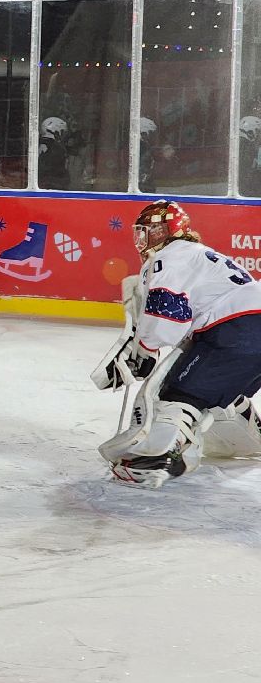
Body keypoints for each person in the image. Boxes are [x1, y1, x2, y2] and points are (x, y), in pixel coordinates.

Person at [94, 200, 261, 487]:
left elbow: (167, 319)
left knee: (177, 395)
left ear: (168, 231)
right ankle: (247, 439)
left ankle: (153, 461)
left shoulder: (168, 257)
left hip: (238, 329)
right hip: (245, 327)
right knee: (218, 386)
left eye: (152, 230)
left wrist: (144, 351)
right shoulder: (198, 254)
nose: (144, 237)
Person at [37, 116, 70, 190]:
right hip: (53, 185)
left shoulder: (36, 144)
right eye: (61, 131)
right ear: (55, 130)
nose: (62, 134)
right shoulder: (57, 148)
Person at [239, 116, 261, 198]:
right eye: (257, 131)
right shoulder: (245, 147)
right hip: (249, 189)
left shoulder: (246, 145)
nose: (259, 134)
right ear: (250, 131)